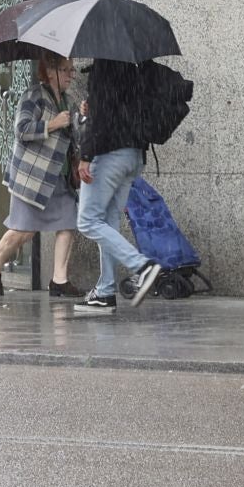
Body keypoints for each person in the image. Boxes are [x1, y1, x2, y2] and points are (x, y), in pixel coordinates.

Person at [0, 54, 82, 296]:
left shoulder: (67, 101)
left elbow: (72, 135)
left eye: (72, 70)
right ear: (50, 72)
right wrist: (52, 124)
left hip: (58, 178)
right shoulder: (34, 95)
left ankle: (59, 280)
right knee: (23, 231)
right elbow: (22, 130)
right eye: (66, 70)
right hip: (32, 179)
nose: (71, 75)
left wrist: (81, 116)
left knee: (68, 223)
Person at [71, 59, 164, 313]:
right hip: (133, 155)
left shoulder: (104, 68)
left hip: (109, 154)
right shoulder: (133, 69)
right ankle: (105, 292)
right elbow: (118, 110)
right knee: (108, 220)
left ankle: (143, 267)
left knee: (88, 221)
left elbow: (101, 118)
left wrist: (86, 155)